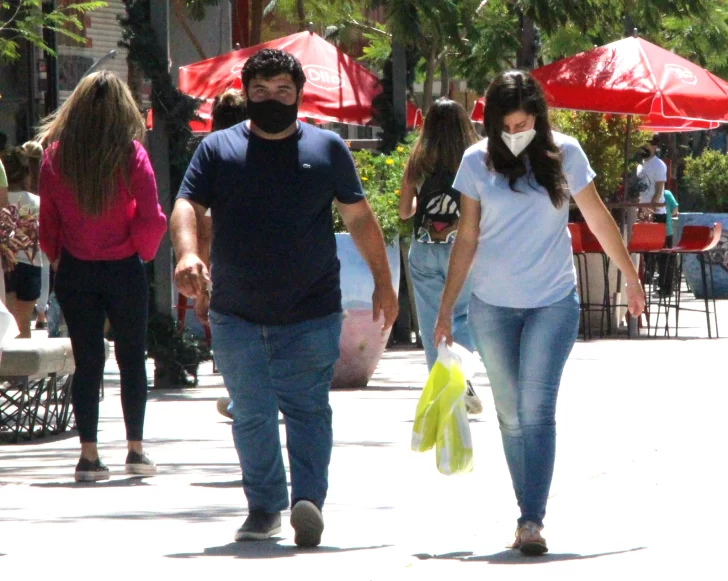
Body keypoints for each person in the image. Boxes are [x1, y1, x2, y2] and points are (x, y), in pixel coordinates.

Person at [171, 48, 398, 547]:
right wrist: (187, 254)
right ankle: (263, 508)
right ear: (246, 94)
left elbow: (360, 218)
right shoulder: (218, 149)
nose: (271, 99)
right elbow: (187, 204)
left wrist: (384, 282)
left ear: (298, 94)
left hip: (311, 310)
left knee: (307, 408)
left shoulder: (327, 148)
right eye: (260, 91)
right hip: (236, 311)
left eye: (282, 91)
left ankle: (307, 502)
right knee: (251, 413)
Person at [433, 70, 645, 556]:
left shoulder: (566, 154)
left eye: (523, 124)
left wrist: (630, 276)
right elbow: (467, 237)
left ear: (538, 118)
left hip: (552, 302)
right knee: (510, 414)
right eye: (505, 127)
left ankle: (531, 519)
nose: (514, 134)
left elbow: (597, 217)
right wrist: (446, 308)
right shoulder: (475, 161)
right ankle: (525, 509)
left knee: (536, 409)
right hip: (491, 306)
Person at [37, 71, 167, 482]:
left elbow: (48, 223)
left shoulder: (55, 157)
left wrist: (57, 257)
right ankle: (135, 450)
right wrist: (143, 252)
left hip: (76, 269)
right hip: (124, 268)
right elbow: (151, 217)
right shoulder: (131, 155)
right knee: (132, 358)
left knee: (87, 361)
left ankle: (88, 456)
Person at [399, 97, 483, 415]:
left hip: (423, 250)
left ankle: (443, 389)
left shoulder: (418, 159)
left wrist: (424, 205)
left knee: (432, 322)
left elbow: (405, 211)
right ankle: (461, 378)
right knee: (462, 316)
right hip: (462, 249)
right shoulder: (473, 159)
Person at [188, 89, 249, 420]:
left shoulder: (212, 158)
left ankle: (243, 399)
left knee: (235, 338)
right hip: (265, 264)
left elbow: (204, 231)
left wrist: (202, 291)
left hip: (228, 269)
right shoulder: (262, 153)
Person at [1, 147, 43, 337]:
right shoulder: (36, 202)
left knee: (7, 325)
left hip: (6, 265)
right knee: (24, 324)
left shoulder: (2, 201)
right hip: (31, 265)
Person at [21, 140, 50, 330]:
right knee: (44, 266)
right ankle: (41, 312)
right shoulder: (46, 175)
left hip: (22, 224)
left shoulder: (20, 177)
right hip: (42, 221)